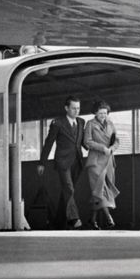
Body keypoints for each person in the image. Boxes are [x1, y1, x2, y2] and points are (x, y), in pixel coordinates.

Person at [37, 95, 86, 229]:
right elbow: (49, 143)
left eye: (78, 108)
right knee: (69, 189)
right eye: (73, 108)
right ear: (66, 108)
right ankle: (74, 219)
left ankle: (58, 223)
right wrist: (42, 162)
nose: (77, 111)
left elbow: (83, 142)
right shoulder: (57, 123)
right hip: (63, 162)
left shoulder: (81, 122)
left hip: (77, 162)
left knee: (67, 191)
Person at [82, 99, 120, 229]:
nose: (103, 115)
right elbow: (87, 141)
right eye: (100, 113)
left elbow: (117, 141)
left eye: (105, 113)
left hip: (109, 161)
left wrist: (111, 149)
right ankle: (109, 218)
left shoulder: (111, 124)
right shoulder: (90, 124)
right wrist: (101, 147)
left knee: (100, 192)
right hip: (95, 162)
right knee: (100, 190)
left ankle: (92, 220)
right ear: (95, 113)